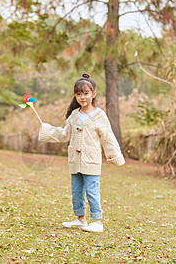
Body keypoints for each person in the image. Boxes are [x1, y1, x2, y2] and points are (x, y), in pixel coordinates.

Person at [38, 73, 125, 232]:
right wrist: (47, 129)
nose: (82, 97)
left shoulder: (99, 115)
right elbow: (65, 134)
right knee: (76, 192)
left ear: (93, 94)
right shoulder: (74, 114)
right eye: (78, 94)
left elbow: (108, 138)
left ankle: (97, 222)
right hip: (74, 160)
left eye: (86, 93)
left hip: (91, 160)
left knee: (92, 191)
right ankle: (81, 219)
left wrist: (115, 156)